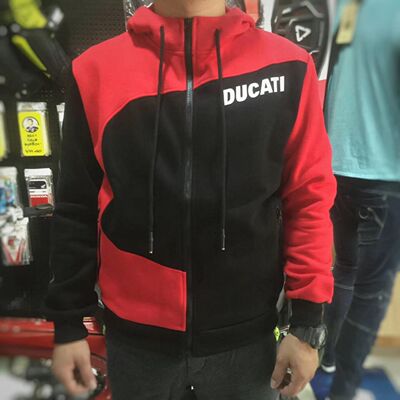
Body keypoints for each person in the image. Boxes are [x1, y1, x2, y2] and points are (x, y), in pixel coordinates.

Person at [43, 0, 336, 399]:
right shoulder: (95, 70)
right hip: (136, 345)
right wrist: (68, 325)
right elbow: (76, 205)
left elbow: (308, 198)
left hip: (247, 342)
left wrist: (307, 324)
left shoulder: (288, 67)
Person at [322, 1, 400, 399]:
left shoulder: (352, 8)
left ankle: (328, 361)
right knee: (372, 291)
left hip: (339, 167)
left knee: (346, 272)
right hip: (384, 173)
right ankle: (343, 390)